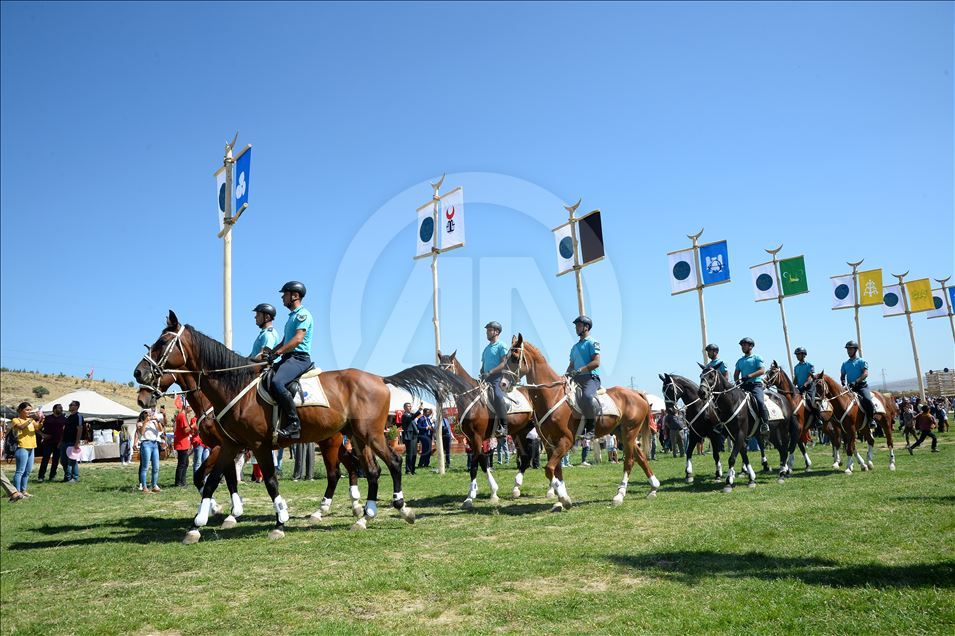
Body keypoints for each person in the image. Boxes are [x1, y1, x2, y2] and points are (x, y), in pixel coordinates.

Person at [261, 282, 313, 440]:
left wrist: (277, 352)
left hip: (299, 358)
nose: (283, 297)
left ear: (295, 296)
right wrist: (271, 353)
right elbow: (284, 341)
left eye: (285, 294)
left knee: (277, 382)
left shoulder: (302, 315)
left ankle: (294, 424)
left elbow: (297, 339)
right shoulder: (291, 317)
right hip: (288, 358)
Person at [566, 315, 601, 435]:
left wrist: (581, 370)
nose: (576, 328)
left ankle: (591, 428)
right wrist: (566, 375)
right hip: (575, 380)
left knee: (587, 396)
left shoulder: (593, 342)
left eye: (579, 325)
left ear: (586, 327)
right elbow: (571, 365)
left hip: (590, 378)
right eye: (576, 326)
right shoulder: (574, 347)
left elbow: (596, 362)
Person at [479, 321, 510, 437]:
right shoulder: (486, 349)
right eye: (487, 330)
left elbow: (504, 363)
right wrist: (482, 372)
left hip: (497, 377)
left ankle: (504, 427)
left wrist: (490, 372)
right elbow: (483, 366)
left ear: (496, 332)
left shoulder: (501, 345)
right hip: (486, 379)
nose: (487, 332)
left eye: (489, 330)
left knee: (497, 395)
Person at [734, 337, 770, 434]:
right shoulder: (739, 361)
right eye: (742, 345)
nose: (742, 347)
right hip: (743, 386)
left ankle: (765, 423)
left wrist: (749, 376)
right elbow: (736, 374)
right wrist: (737, 382)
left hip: (755, 385)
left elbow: (762, 370)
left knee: (760, 402)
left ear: (751, 346)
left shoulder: (757, 358)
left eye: (744, 345)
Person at [840, 341, 875, 427]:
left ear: (855, 350)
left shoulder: (861, 361)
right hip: (850, 388)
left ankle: (871, 419)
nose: (849, 351)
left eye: (851, 349)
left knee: (867, 399)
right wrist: (843, 382)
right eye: (848, 349)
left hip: (861, 387)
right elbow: (842, 376)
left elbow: (865, 374)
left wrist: (856, 381)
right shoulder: (845, 364)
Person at [11, 402, 40, 497]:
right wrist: (31, 418)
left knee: (27, 471)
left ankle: (24, 491)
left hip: (31, 447)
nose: (29, 412)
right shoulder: (16, 420)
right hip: (22, 447)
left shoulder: (30, 420)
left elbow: (38, 427)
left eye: (30, 410)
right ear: (20, 410)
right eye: (27, 410)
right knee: (20, 471)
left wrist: (41, 419)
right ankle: (17, 493)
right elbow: (21, 427)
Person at [135, 408, 163, 492]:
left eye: (150, 413)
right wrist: (145, 422)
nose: (149, 415)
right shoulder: (140, 423)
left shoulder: (154, 422)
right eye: (147, 413)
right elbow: (142, 432)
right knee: (145, 467)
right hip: (146, 444)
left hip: (155, 444)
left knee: (156, 467)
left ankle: (154, 485)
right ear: (143, 414)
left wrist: (157, 421)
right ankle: (144, 487)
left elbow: (160, 430)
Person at [37, 404, 66, 482]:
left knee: (55, 460)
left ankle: (52, 476)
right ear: (54, 409)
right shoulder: (47, 418)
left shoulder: (64, 419)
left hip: (58, 442)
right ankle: (41, 476)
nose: (61, 409)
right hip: (48, 442)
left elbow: (64, 431)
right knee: (45, 459)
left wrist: (61, 441)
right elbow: (37, 428)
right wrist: (43, 435)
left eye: (62, 408)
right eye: (60, 408)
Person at [60, 400, 83, 483]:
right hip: (65, 441)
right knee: (63, 461)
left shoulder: (78, 416)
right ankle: (67, 476)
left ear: (76, 406)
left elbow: (79, 429)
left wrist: (77, 442)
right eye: (69, 404)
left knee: (72, 460)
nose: (70, 406)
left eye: (72, 405)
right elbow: (64, 430)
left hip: (72, 442)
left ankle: (74, 477)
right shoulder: (68, 417)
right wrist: (61, 441)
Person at [172, 407, 192, 487]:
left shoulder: (182, 415)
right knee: (182, 464)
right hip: (181, 443)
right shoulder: (182, 416)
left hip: (183, 443)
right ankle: (179, 482)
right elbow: (185, 430)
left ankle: (182, 482)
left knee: (185, 463)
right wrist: (193, 426)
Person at [400, 403, 420, 475]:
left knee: (414, 454)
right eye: (408, 406)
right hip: (409, 436)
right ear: (404, 408)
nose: (410, 407)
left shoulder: (410, 414)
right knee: (410, 454)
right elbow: (412, 418)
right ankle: (408, 470)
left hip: (414, 436)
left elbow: (413, 418)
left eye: (410, 406)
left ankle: (412, 470)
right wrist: (419, 410)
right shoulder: (405, 415)